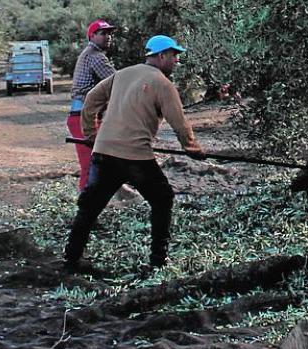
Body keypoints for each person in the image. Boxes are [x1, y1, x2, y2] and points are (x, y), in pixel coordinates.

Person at [63, 34, 205, 276]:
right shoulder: (163, 83)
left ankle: (71, 260)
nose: (177, 61)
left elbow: (90, 100)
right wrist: (192, 149)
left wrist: (90, 134)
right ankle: (158, 262)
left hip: (104, 152)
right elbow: (179, 123)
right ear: (161, 56)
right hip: (135, 156)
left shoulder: (122, 74)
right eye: (174, 55)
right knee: (162, 199)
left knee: (89, 207)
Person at [67, 20, 119, 192]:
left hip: (84, 114)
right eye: (103, 33)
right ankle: (85, 210)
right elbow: (118, 82)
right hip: (84, 117)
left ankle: (118, 194)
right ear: (92, 36)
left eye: (109, 33)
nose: (108, 37)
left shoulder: (89, 54)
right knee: (91, 165)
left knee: (104, 159)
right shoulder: (96, 57)